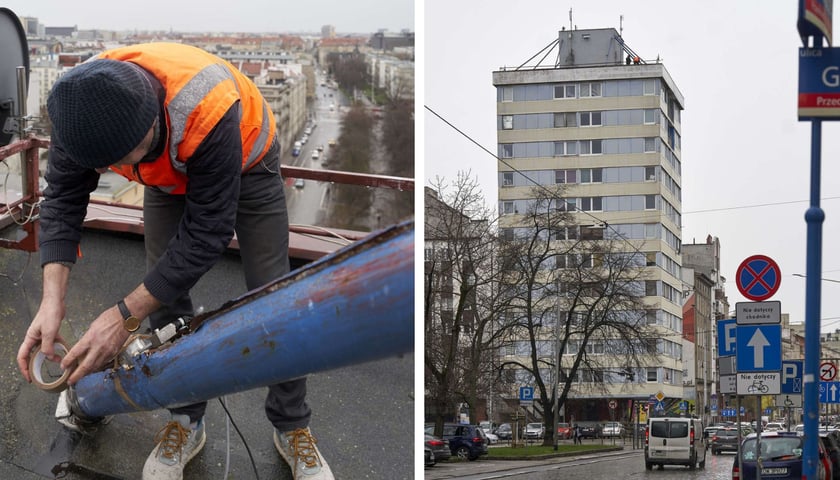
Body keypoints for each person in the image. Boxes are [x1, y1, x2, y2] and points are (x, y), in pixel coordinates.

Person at [16, 42, 334, 480]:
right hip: (168, 178)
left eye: (121, 160)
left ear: (151, 121)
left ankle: (292, 425)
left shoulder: (207, 107)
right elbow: (63, 202)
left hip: (247, 161)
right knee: (164, 297)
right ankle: (186, 418)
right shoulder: (81, 112)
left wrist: (121, 317)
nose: (112, 169)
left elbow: (208, 233)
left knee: (275, 299)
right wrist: (52, 302)